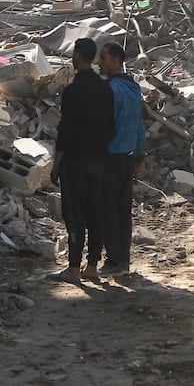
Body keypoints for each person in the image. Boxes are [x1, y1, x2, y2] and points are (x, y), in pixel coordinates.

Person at [50, 39, 115, 282]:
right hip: (99, 160)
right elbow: (110, 127)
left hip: (75, 162)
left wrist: (56, 165)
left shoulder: (72, 91)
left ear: (77, 56)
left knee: (75, 214)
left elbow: (66, 132)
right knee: (96, 213)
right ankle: (92, 267)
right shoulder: (105, 89)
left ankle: (74, 268)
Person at [99, 42, 147, 277]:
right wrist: (139, 157)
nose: (100, 62)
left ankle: (113, 260)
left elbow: (104, 127)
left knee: (109, 210)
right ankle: (123, 260)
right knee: (123, 211)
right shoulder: (133, 89)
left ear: (116, 60)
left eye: (104, 58)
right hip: (128, 158)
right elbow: (139, 126)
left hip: (109, 158)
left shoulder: (109, 90)